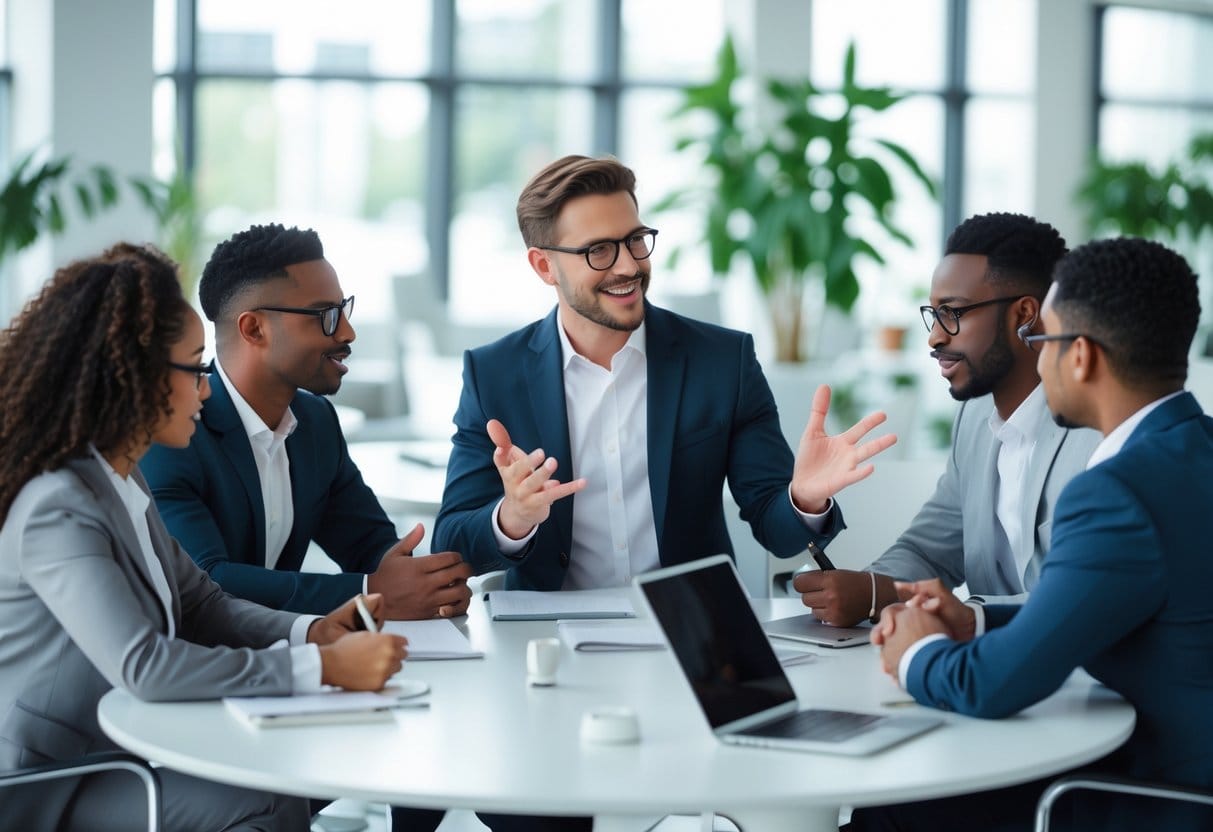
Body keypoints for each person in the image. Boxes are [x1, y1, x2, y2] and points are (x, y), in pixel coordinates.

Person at [0, 244, 407, 831]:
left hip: (123, 747)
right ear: (131, 377)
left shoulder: (121, 476)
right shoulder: (57, 506)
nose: (208, 389)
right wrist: (322, 668)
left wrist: (311, 631)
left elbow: (201, 602)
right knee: (268, 799)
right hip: (49, 781)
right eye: (194, 368)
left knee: (276, 779)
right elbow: (144, 664)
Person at [858, 237, 1213, 831]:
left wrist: (914, 651)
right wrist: (972, 620)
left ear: (1080, 358)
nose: (1037, 362)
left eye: (1044, 341)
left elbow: (993, 685)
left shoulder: (1116, 493)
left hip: (1145, 797)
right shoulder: (1193, 449)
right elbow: (1114, 610)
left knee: (898, 801)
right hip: (1173, 772)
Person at [433, 154, 895, 598]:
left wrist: (805, 499)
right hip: (548, 632)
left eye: (635, 239)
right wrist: (512, 517)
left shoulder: (723, 361)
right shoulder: (493, 373)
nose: (629, 266)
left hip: (694, 626)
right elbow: (451, 543)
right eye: (599, 251)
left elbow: (779, 534)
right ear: (543, 266)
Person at [141, 223, 472, 621]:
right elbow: (208, 581)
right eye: (325, 316)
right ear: (254, 328)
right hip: (199, 667)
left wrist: (425, 581)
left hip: (292, 660)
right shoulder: (174, 432)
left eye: (343, 310)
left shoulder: (315, 422)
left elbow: (368, 544)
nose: (346, 331)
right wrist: (370, 591)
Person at [795, 213, 1100, 627]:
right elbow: (928, 552)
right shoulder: (975, 419)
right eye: (933, 314)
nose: (935, 337)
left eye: (953, 313)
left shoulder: (1096, 432)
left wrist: (890, 598)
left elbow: (1079, 600)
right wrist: (867, 587)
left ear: (1024, 314)